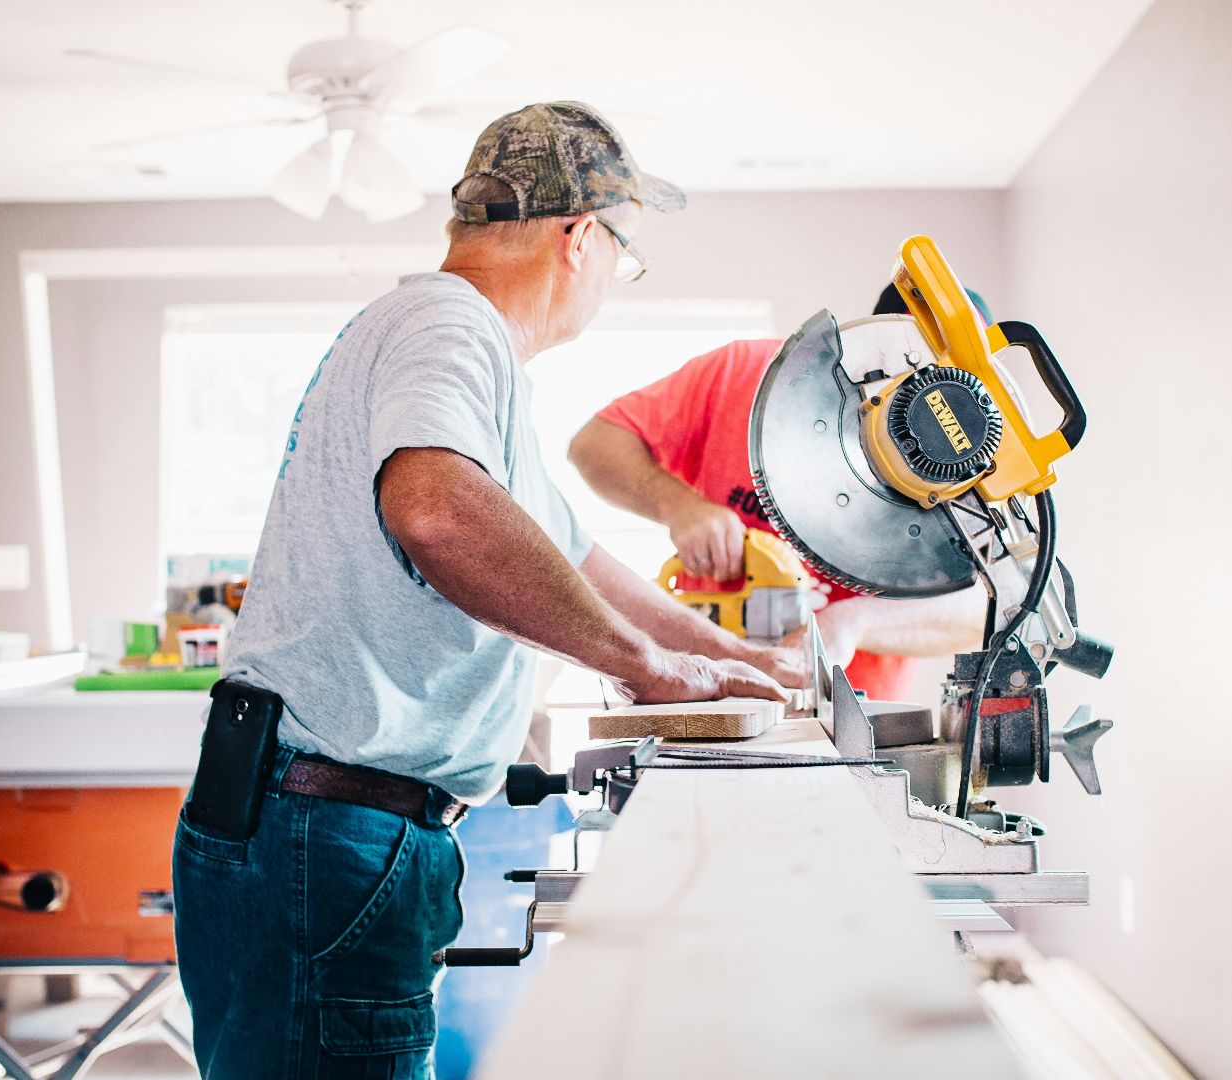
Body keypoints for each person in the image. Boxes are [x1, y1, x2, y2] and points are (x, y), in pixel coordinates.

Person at [171, 101, 805, 1080]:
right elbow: (437, 511)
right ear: (582, 238)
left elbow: (575, 556)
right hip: (328, 831)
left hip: (324, 825)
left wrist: (729, 659)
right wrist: (645, 669)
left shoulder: (458, 354)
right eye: (624, 259)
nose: (610, 284)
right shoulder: (447, 322)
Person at [568, 284, 999, 702]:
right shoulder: (744, 373)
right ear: (867, 338)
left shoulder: (968, 464)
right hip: (704, 689)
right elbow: (594, 445)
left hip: (851, 716)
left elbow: (989, 607)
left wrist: (855, 622)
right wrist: (679, 505)